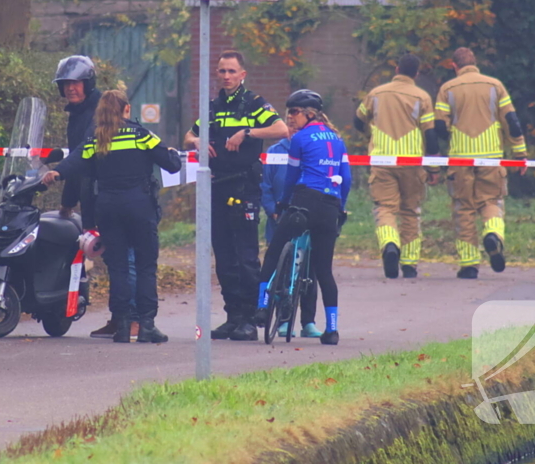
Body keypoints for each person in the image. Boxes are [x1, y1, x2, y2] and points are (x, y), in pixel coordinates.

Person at [44, 90, 181, 343]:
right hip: (139, 206)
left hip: (107, 207)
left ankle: (123, 325)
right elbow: (172, 164)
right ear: (127, 109)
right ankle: (147, 324)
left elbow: (75, 161)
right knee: (145, 265)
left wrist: (56, 173)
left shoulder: (97, 138)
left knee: (117, 267)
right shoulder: (141, 134)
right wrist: (171, 151)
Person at [184, 51, 289, 342]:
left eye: (231, 71)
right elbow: (188, 136)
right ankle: (232, 316)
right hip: (217, 187)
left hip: (245, 187)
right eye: (222, 71)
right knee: (224, 255)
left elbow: (282, 129)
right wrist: (197, 141)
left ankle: (250, 317)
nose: (226, 76)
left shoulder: (253, 103)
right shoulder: (213, 106)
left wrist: (247, 132)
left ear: (242, 75)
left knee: (245, 256)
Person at [52, 55, 138, 339]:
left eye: (75, 83)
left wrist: (66, 197)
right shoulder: (77, 115)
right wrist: (69, 200)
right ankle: (120, 317)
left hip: (114, 197)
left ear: (87, 84)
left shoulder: (98, 112)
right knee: (114, 260)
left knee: (126, 258)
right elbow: (79, 161)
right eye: (65, 85)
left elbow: (83, 160)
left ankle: (134, 319)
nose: (70, 89)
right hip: (98, 197)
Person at [256, 89, 351, 345]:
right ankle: (331, 330)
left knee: (274, 250)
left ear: (309, 114)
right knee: (324, 271)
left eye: (294, 112)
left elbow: (290, 176)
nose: (290, 117)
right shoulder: (337, 139)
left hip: (304, 202)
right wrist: (341, 208)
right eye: (288, 112)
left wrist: (283, 202)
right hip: (330, 207)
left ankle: (262, 307)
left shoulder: (300, 139)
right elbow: (347, 179)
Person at [435, 47, 528, 279]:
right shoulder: (495, 85)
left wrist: (444, 151)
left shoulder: (447, 89)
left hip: (460, 158)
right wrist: (520, 154)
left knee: (463, 209)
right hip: (491, 157)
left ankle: (469, 265)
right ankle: (493, 235)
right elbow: (512, 121)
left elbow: (439, 126)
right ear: (475, 63)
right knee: (492, 201)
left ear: (454, 66)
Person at [354, 53, 439, 279]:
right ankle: (409, 264)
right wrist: (433, 168)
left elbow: (358, 120)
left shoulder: (376, 93)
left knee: (385, 208)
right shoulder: (422, 97)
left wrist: (368, 136)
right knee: (411, 211)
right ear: (416, 73)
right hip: (412, 163)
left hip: (382, 161)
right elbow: (430, 136)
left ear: (396, 69)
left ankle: (390, 244)